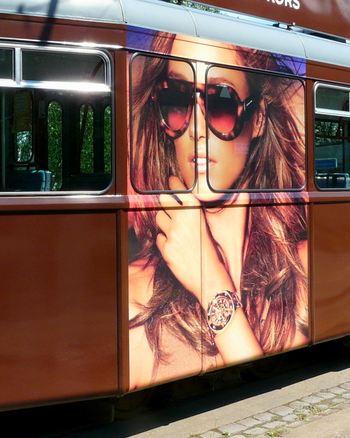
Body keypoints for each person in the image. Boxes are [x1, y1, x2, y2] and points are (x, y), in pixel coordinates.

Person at [127, 31, 309, 389]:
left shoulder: (306, 273)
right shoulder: (134, 299)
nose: (195, 127)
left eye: (221, 102)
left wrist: (211, 283)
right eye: (176, 99)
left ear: (257, 119)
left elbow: (272, 414)